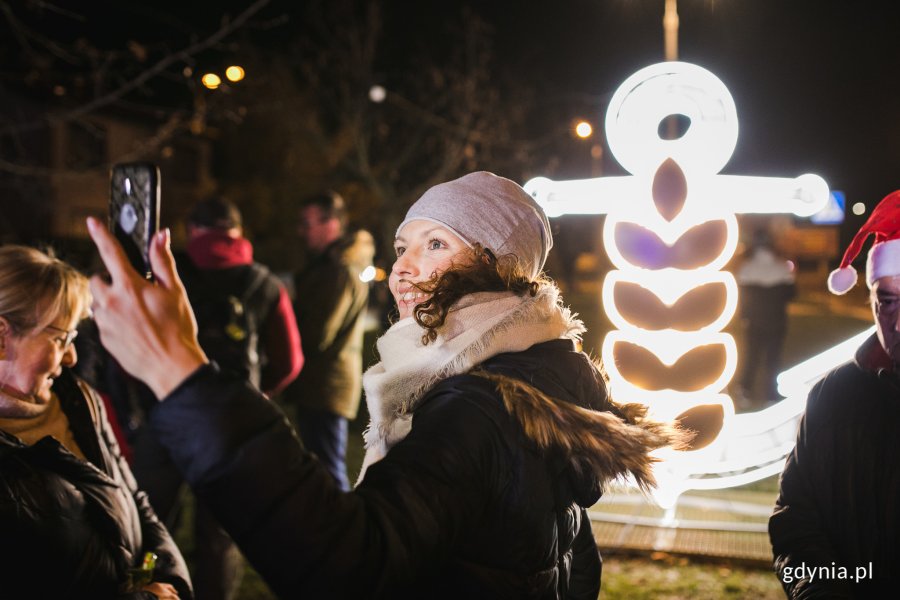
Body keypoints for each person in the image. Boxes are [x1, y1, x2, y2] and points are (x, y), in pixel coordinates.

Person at [86, 171, 686, 598]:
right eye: (403, 247)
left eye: (435, 244)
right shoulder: (537, 378)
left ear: (503, 265)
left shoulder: (480, 407)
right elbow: (570, 558)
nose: (403, 267)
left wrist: (181, 376)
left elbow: (350, 565)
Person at [133, 195, 304, 600]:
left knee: (151, 524)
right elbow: (290, 361)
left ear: (193, 230)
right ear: (238, 231)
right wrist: (259, 392)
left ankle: (146, 590)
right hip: (232, 425)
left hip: (166, 416)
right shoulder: (266, 284)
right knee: (221, 535)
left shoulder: (165, 275)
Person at [0, 244, 191, 599]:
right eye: (60, 338)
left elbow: (134, 499)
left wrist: (166, 576)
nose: (71, 356)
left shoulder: (79, 400)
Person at [769, 190, 900, 596]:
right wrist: (818, 590)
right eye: (889, 299)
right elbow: (795, 521)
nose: (898, 321)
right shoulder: (833, 396)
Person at [283, 191, 370, 490]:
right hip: (322, 384)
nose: (301, 231)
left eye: (308, 223)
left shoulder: (337, 271)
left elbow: (316, 333)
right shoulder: (332, 266)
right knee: (321, 471)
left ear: (331, 224)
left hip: (326, 386)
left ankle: (341, 534)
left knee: (328, 475)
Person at [734, 228, 796, 407]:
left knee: (751, 357)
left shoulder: (746, 268)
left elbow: (744, 299)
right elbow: (792, 293)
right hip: (776, 320)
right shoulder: (781, 267)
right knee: (773, 358)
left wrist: (744, 316)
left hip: (754, 321)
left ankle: (744, 391)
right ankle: (771, 394)